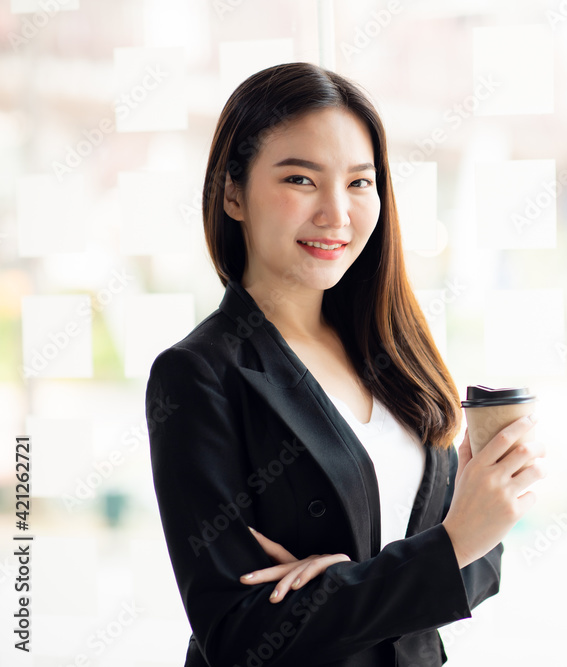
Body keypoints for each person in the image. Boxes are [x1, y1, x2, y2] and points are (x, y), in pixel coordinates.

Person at [145, 62, 546, 667]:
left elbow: (480, 565)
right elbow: (237, 634)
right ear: (233, 192)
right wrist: (440, 549)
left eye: (360, 183)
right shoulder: (198, 375)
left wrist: (358, 579)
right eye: (302, 180)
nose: (337, 213)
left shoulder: (391, 352)